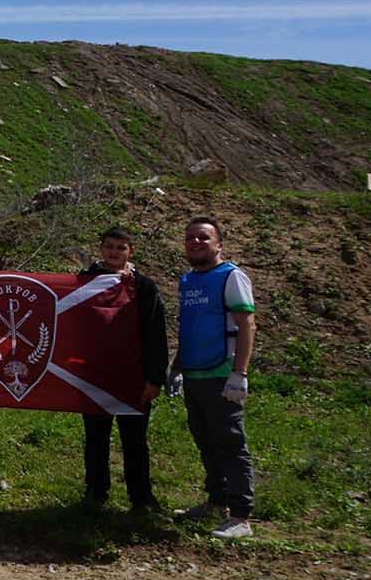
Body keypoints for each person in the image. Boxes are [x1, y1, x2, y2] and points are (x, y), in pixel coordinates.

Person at [174, 216, 257, 539]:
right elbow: (191, 326)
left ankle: (240, 515)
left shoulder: (231, 277)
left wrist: (240, 373)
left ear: (219, 245)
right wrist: (177, 367)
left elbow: (247, 324)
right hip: (195, 373)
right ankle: (216, 501)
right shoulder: (188, 280)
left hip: (222, 373)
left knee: (231, 443)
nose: (195, 243)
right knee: (205, 439)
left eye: (203, 238)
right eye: (190, 238)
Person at [78, 227, 167, 513]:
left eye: (121, 247)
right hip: (94, 373)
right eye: (109, 247)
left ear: (131, 251)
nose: (114, 252)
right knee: (95, 436)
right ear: (101, 249)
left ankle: (141, 496)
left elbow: (156, 334)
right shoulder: (83, 282)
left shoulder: (144, 287)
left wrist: (155, 378)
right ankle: (95, 490)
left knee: (135, 440)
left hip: (134, 375)